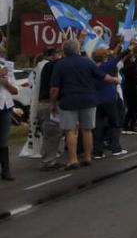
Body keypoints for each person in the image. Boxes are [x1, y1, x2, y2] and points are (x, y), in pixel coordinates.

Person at [49, 39, 120, 169]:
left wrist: (53, 103)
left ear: (64, 51)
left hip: (68, 100)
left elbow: (55, 88)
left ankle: (73, 159)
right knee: (87, 130)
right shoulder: (87, 62)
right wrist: (114, 80)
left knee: (70, 131)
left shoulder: (60, 65)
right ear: (77, 49)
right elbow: (102, 76)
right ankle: (87, 157)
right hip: (88, 100)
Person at [91, 45, 130, 159]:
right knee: (115, 122)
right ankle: (116, 148)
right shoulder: (108, 65)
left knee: (98, 125)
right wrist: (130, 47)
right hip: (109, 97)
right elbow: (120, 56)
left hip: (97, 99)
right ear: (103, 57)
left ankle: (98, 151)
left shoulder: (91, 67)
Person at [34, 48, 64, 170]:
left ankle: (49, 158)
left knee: (50, 133)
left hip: (43, 103)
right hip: (49, 103)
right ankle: (48, 161)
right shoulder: (53, 66)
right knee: (52, 133)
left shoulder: (45, 66)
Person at [0, 43, 19, 181]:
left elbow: (15, 90)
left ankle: (6, 170)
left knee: (4, 139)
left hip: (6, 106)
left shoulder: (8, 68)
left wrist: (5, 82)